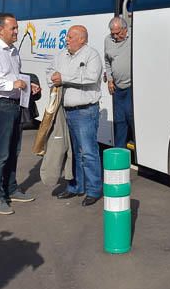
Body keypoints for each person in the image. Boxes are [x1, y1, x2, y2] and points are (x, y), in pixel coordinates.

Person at [0, 14, 40, 215]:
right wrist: (10, 84)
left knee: (15, 151)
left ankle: (11, 189)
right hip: (1, 107)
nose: (16, 32)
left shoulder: (14, 51)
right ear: (0, 30)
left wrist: (30, 85)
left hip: (15, 105)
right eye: (13, 28)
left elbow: (17, 76)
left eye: (16, 28)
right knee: (1, 153)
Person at [47, 25, 103, 206]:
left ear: (82, 39)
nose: (67, 40)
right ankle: (75, 186)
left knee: (88, 152)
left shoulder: (91, 55)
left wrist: (63, 76)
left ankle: (94, 189)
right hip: (67, 111)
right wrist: (54, 77)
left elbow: (91, 77)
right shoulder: (61, 55)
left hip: (86, 111)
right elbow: (50, 72)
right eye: (68, 37)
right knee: (72, 153)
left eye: (70, 37)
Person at [104, 16, 134, 149]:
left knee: (131, 117)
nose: (115, 36)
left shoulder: (134, 36)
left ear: (125, 29)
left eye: (118, 33)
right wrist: (110, 80)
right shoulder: (108, 40)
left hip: (132, 87)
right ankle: (119, 150)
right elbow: (107, 61)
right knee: (119, 120)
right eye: (113, 33)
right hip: (117, 87)